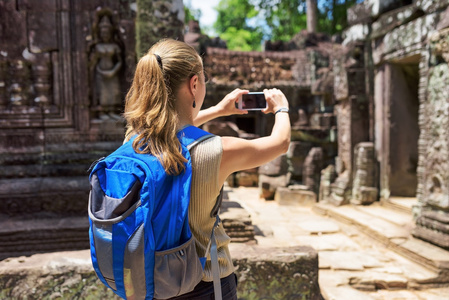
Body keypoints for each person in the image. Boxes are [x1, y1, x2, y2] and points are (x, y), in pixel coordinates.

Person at [123, 39, 291, 300]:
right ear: (193, 85)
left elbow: (166, 129)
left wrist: (218, 110)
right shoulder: (215, 151)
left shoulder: (132, 141)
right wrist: (281, 107)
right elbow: (280, 143)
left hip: (147, 282)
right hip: (204, 283)